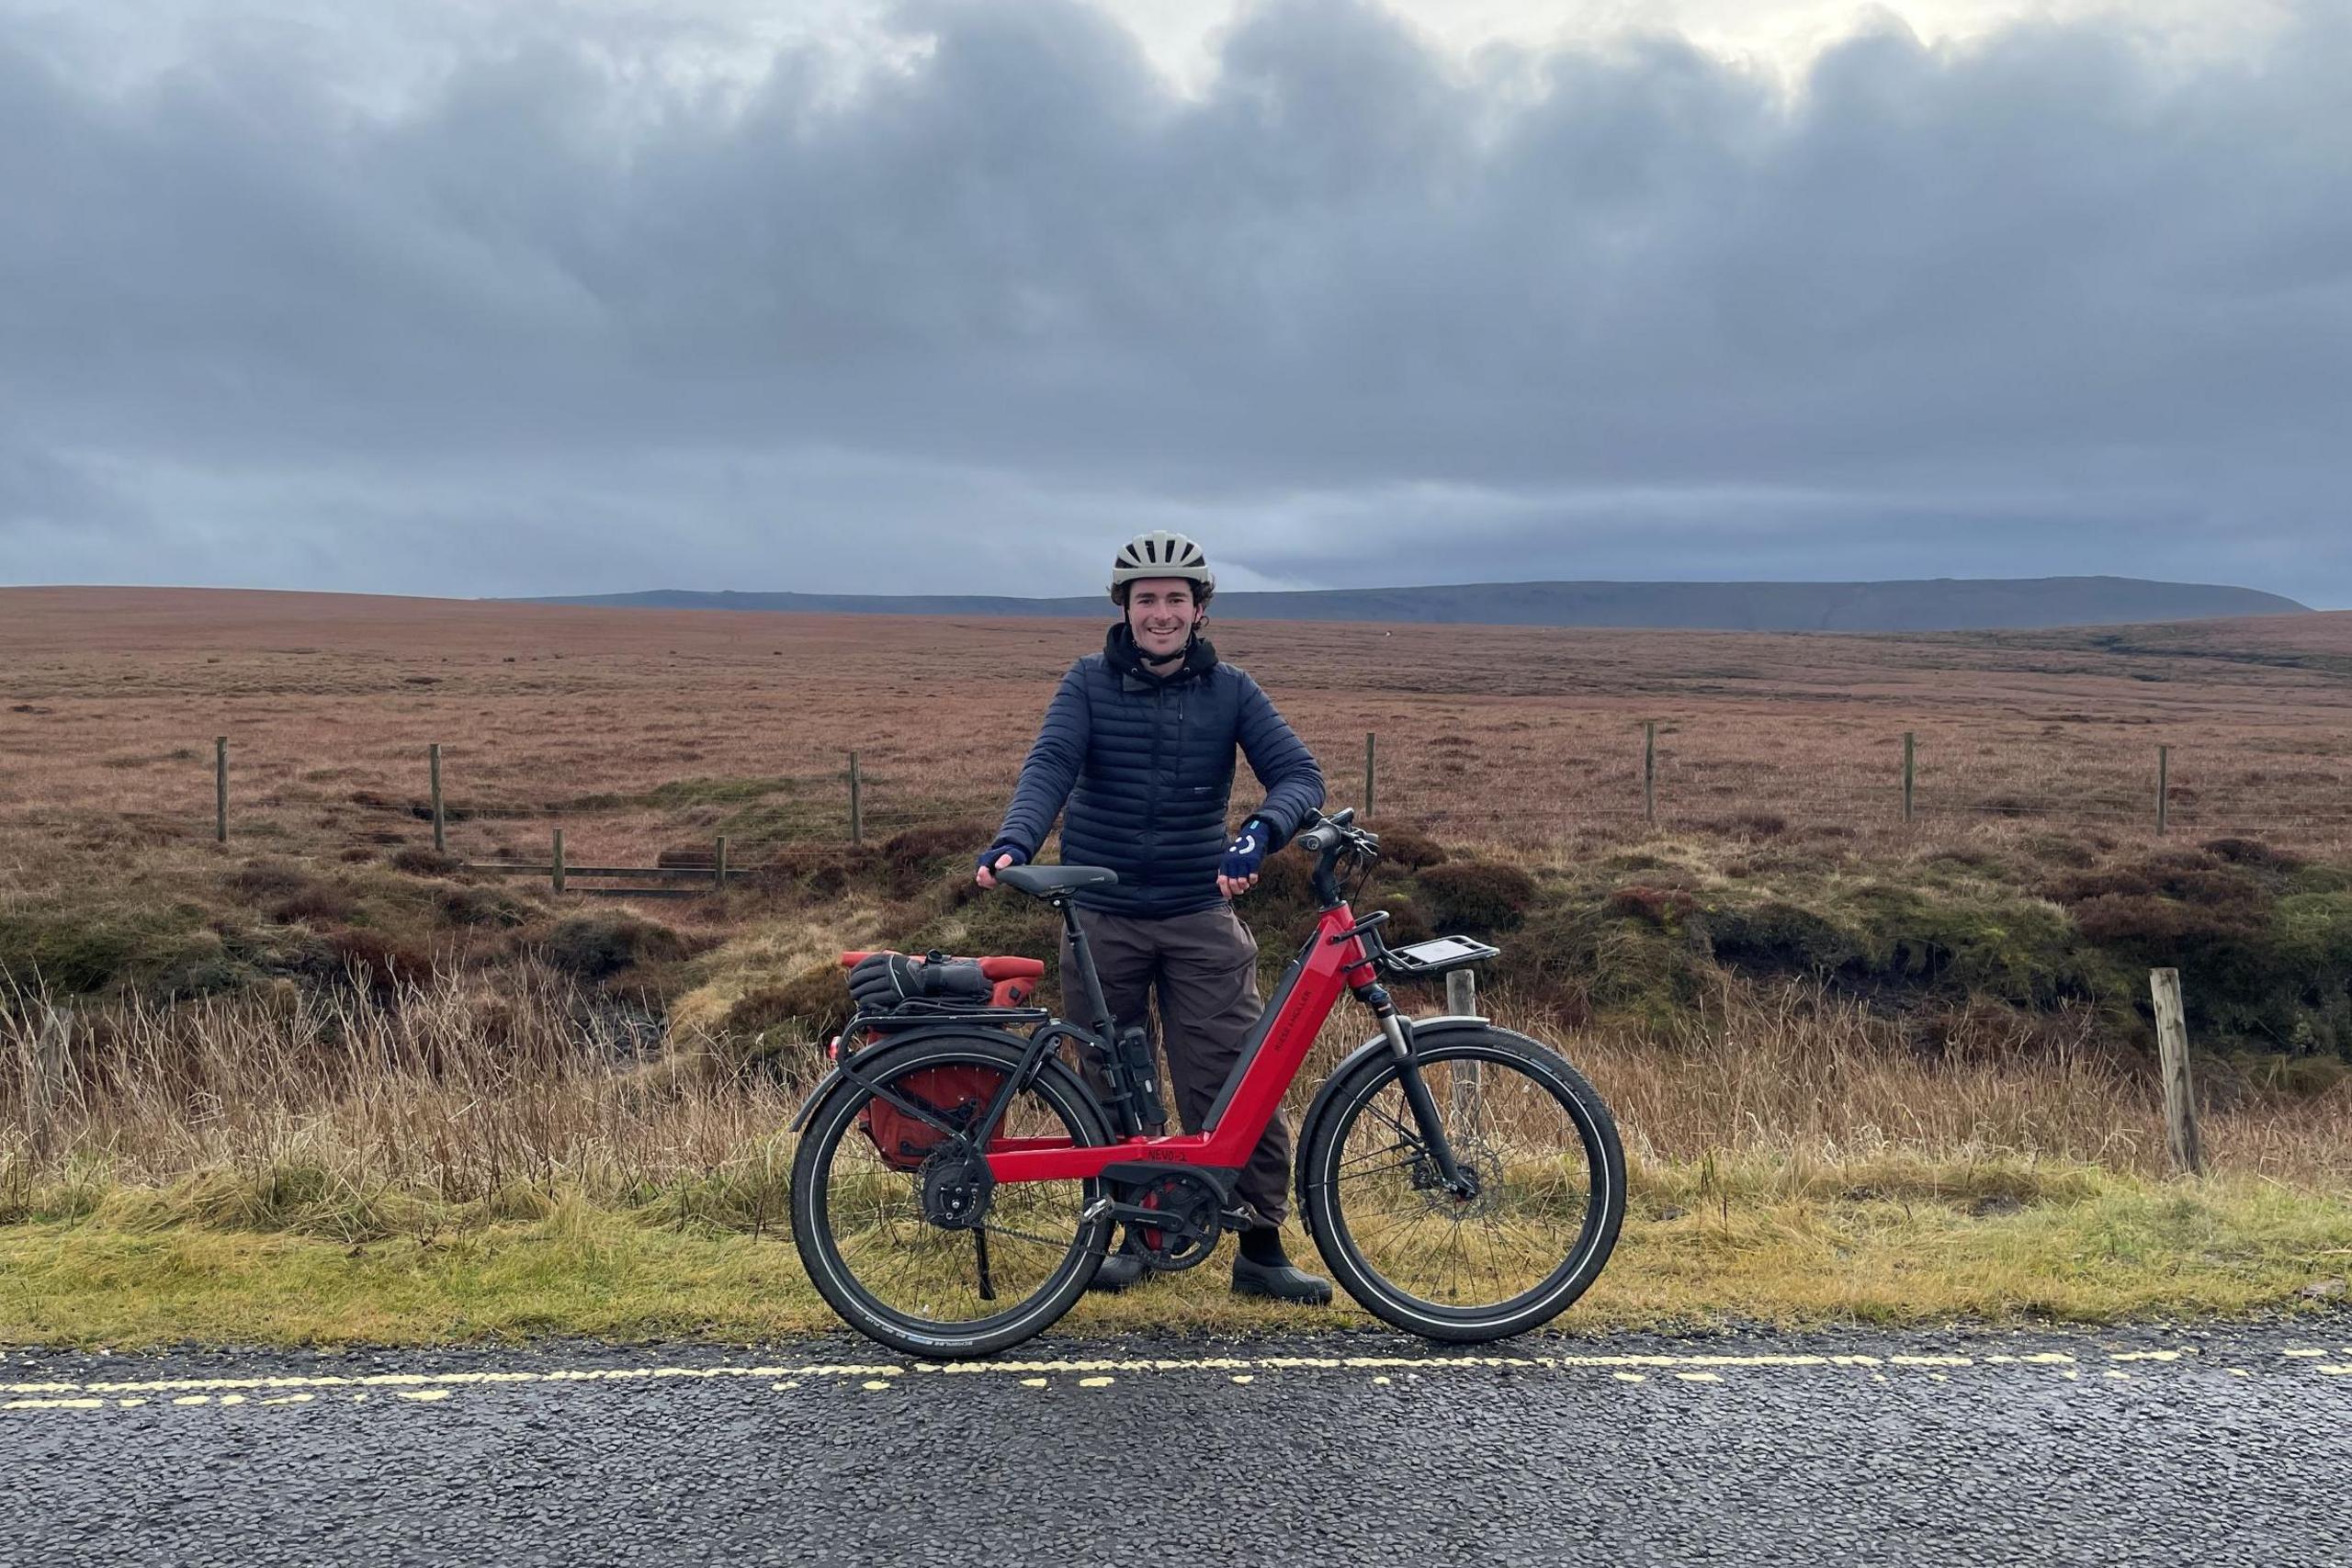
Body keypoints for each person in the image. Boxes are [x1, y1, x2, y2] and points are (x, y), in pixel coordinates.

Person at [976, 531, 1331, 1303]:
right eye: (1147, 600)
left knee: (1234, 1074)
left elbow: (1300, 774)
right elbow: (1051, 764)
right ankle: (1132, 1235)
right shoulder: (1087, 683)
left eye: (1176, 599)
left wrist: (1259, 834)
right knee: (1110, 1077)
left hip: (1197, 909)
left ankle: (1259, 1246)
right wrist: (1015, 839)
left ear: (1198, 610)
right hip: (1102, 917)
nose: (1161, 613)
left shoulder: (1233, 689)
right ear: (1125, 610)